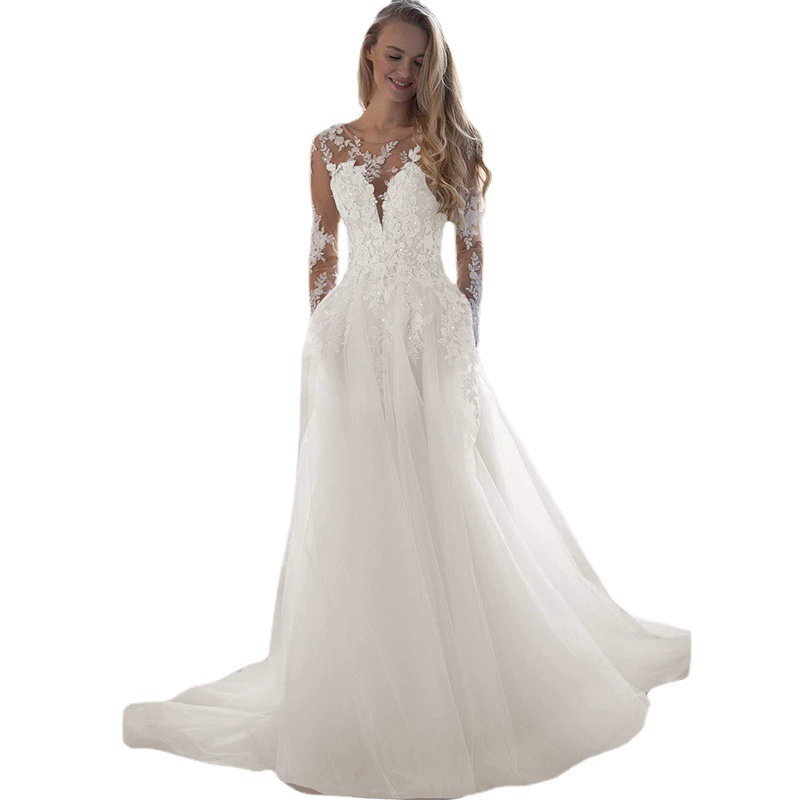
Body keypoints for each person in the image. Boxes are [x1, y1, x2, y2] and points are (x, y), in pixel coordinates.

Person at [123, 2, 691, 797]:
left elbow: (473, 249)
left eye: (420, 61)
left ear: (434, 68)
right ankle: (368, 686)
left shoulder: (453, 143)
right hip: (355, 341)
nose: (405, 72)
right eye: (395, 55)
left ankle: (457, 685)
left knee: (442, 495)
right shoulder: (330, 145)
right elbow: (323, 243)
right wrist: (321, 333)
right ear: (370, 52)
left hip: (431, 339)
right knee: (363, 503)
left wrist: (467, 337)